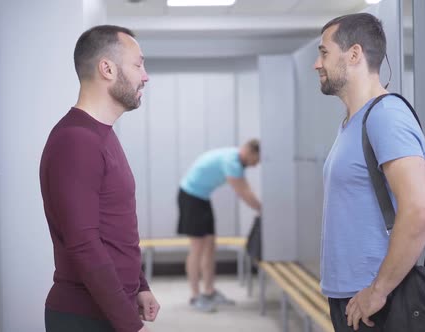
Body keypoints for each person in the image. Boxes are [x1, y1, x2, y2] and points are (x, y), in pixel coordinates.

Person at [314, 13, 425, 331]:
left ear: (353, 54)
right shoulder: (352, 122)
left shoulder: (387, 116)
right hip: (353, 296)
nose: (317, 63)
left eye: (324, 52)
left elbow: (420, 209)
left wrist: (378, 290)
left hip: (378, 301)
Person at [40, 25, 160, 332]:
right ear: (107, 68)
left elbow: (114, 228)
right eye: (138, 64)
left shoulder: (100, 134)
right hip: (85, 317)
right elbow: (84, 244)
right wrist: (129, 324)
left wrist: (140, 284)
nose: (145, 76)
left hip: (108, 310)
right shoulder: (76, 140)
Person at [177, 140, 262, 312]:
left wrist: (261, 208)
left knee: (210, 246)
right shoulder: (232, 162)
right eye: (256, 160)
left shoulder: (236, 158)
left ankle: (209, 291)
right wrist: (263, 210)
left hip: (202, 198)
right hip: (191, 198)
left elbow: (247, 188)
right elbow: (243, 192)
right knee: (197, 248)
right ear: (250, 152)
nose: (255, 165)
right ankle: (195, 296)